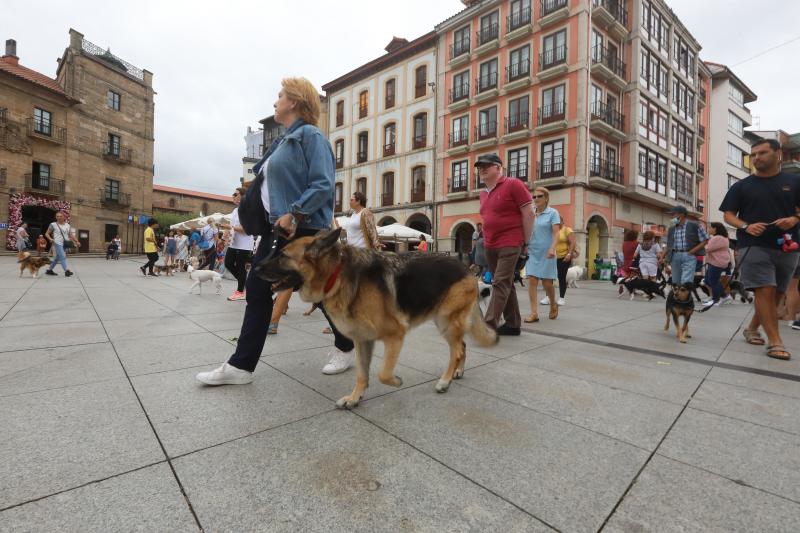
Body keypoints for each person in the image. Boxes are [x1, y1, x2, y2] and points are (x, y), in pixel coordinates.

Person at [196, 76, 337, 385]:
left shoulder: (310, 136)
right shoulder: (282, 143)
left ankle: (347, 343)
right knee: (259, 290)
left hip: (304, 228)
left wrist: (295, 212)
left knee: (319, 291)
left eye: (280, 96)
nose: (275, 102)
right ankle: (240, 367)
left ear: (295, 102)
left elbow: (324, 183)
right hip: (278, 229)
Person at [720, 138, 800, 360]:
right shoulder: (741, 186)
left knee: (777, 294)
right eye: (753, 154)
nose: (756, 158)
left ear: (778, 154)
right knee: (764, 290)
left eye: (762, 153)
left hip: (788, 245)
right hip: (753, 245)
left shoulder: (794, 182)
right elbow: (728, 215)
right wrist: (746, 225)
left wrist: (794, 219)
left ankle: (752, 328)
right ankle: (775, 342)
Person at [321, 191, 380, 373]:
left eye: (352, 198)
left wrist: (376, 248)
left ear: (359, 200)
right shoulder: (353, 215)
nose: (350, 200)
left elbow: (372, 231)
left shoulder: (365, 213)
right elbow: (347, 234)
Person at [477, 153, 534, 336]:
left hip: (510, 242)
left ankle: (488, 324)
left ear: (499, 168)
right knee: (506, 284)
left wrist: (526, 242)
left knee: (500, 283)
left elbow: (529, 213)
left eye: (487, 165)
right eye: (480, 167)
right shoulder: (483, 194)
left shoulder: (513, 184)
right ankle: (513, 324)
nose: (482, 169)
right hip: (490, 245)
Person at [524, 187, 560, 322]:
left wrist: (552, 248)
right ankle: (534, 313)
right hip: (532, 251)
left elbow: (556, 233)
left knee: (547, 283)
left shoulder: (553, 213)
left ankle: (553, 304)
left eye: (539, 196)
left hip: (547, 252)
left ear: (546, 198)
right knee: (532, 280)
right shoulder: (531, 213)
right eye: (534, 197)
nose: (536, 199)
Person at [661, 205, 708, 286]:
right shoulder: (672, 227)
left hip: (688, 255)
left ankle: (685, 298)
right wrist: (662, 257)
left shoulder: (695, 225)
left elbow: (705, 240)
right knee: (676, 282)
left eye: (673, 214)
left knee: (686, 282)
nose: (671, 217)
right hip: (674, 255)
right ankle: (679, 298)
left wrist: (692, 251)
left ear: (681, 215)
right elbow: (669, 244)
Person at [221, 188, 254, 300]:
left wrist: (230, 228)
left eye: (235, 194)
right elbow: (232, 227)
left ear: (243, 195)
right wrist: (226, 234)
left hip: (244, 245)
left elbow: (247, 229)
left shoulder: (249, 210)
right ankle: (245, 285)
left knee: (240, 267)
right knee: (228, 263)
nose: (233, 196)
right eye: (233, 194)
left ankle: (240, 291)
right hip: (234, 243)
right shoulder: (235, 211)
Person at [542, 222, 576, 306]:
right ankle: (548, 297)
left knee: (561, 277)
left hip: (563, 257)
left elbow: (573, 242)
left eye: (558, 221)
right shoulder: (552, 231)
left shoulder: (567, 230)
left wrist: (569, 254)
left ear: (562, 222)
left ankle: (561, 298)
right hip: (552, 257)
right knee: (548, 277)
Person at [702, 223, 732, 309]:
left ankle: (716, 299)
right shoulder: (721, 238)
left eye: (710, 228)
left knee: (712, 281)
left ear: (716, 229)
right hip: (716, 262)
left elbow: (708, 248)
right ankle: (724, 296)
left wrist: (700, 245)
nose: (709, 229)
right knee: (708, 280)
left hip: (717, 262)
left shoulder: (718, 238)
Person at [44, 211, 79, 277]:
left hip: (65, 243)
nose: (59, 217)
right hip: (57, 243)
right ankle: (66, 271)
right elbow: (46, 233)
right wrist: (50, 239)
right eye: (57, 216)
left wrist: (77, 241)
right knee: (62, 255)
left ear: (64, 217)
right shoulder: (53, 224)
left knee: (57, 257)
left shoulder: (67, 225)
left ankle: (49, 270)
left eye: (60, 216)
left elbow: (70, 235)